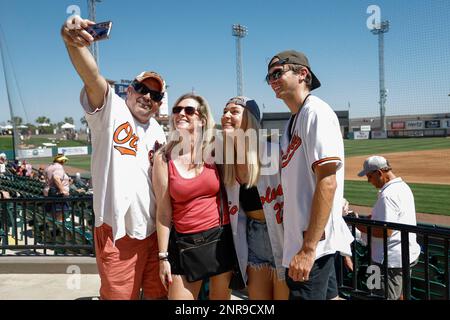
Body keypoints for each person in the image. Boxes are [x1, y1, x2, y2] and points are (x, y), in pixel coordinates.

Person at [61, 15, 167, 300]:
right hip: (117, 232)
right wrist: (73, 43)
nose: (147, 97)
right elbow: (92, 77)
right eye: (143, 89)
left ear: (159, 104)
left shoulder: (159, 131)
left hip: (155, 235)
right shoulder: (112, 110)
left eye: (155, 95)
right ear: (129, 89)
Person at [266, 50, 353, 300]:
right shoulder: (292, 121)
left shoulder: (316, 113)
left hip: (313, 247)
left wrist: (308, 249)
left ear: (302, 74)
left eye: (277, 73)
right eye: (269, 77)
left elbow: (328, 182)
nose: (272, 80)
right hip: (306, 243)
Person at [153, 93, 234, 300]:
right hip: (185, 244)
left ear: (202, 119)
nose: (181, 113)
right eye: (177, 110)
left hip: (220, 238)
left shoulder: (215, 150)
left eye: (189, 110)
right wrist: (163, 257)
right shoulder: (163, 158)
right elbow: (163, 213)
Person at [221, 96, 288, 299]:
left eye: (234, 111)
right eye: (225, 111)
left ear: (249, 118)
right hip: (252, 238)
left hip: (284, 236)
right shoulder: (225, 159)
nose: (226, 116)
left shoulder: (275, 152)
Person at [356, 155, 421, 300]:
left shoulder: (388, 196)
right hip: (405, 255)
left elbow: (386, 231)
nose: (368, 181)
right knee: (400, 295)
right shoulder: (403, 187)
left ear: (379, 173)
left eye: (369, 176)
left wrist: (359, 225)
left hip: (388, 261)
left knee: (379, 296)